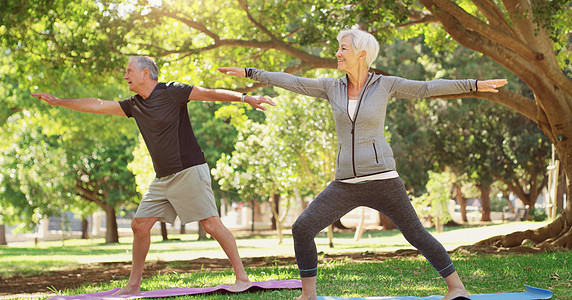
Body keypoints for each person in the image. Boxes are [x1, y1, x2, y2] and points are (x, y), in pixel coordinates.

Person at [219, 27, 507, 300]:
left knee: (416, 234)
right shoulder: (331, 87)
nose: (337, 53)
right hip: (345, 183)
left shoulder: (385, 85)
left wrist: (473, 85)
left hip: (383, 179)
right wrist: (250, 72)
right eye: (338, 49)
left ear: (361, 54)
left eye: (343, 48)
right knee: (302, 227)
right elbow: (292, 82)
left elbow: (428, 87)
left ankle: (457, 288)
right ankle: (308, 294)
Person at [32, 56, 275, 295]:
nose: (125, 76)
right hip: (162, 178)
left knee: (210, 224)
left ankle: (242, 278)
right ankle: (133, 285)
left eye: (129, 71)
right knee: (139, 225)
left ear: (145, 73)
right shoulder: (134, 104)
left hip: (189, 170)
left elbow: (209, 93)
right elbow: (97, 104)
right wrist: (60, 101)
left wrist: (245, 98)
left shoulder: (172, 91)